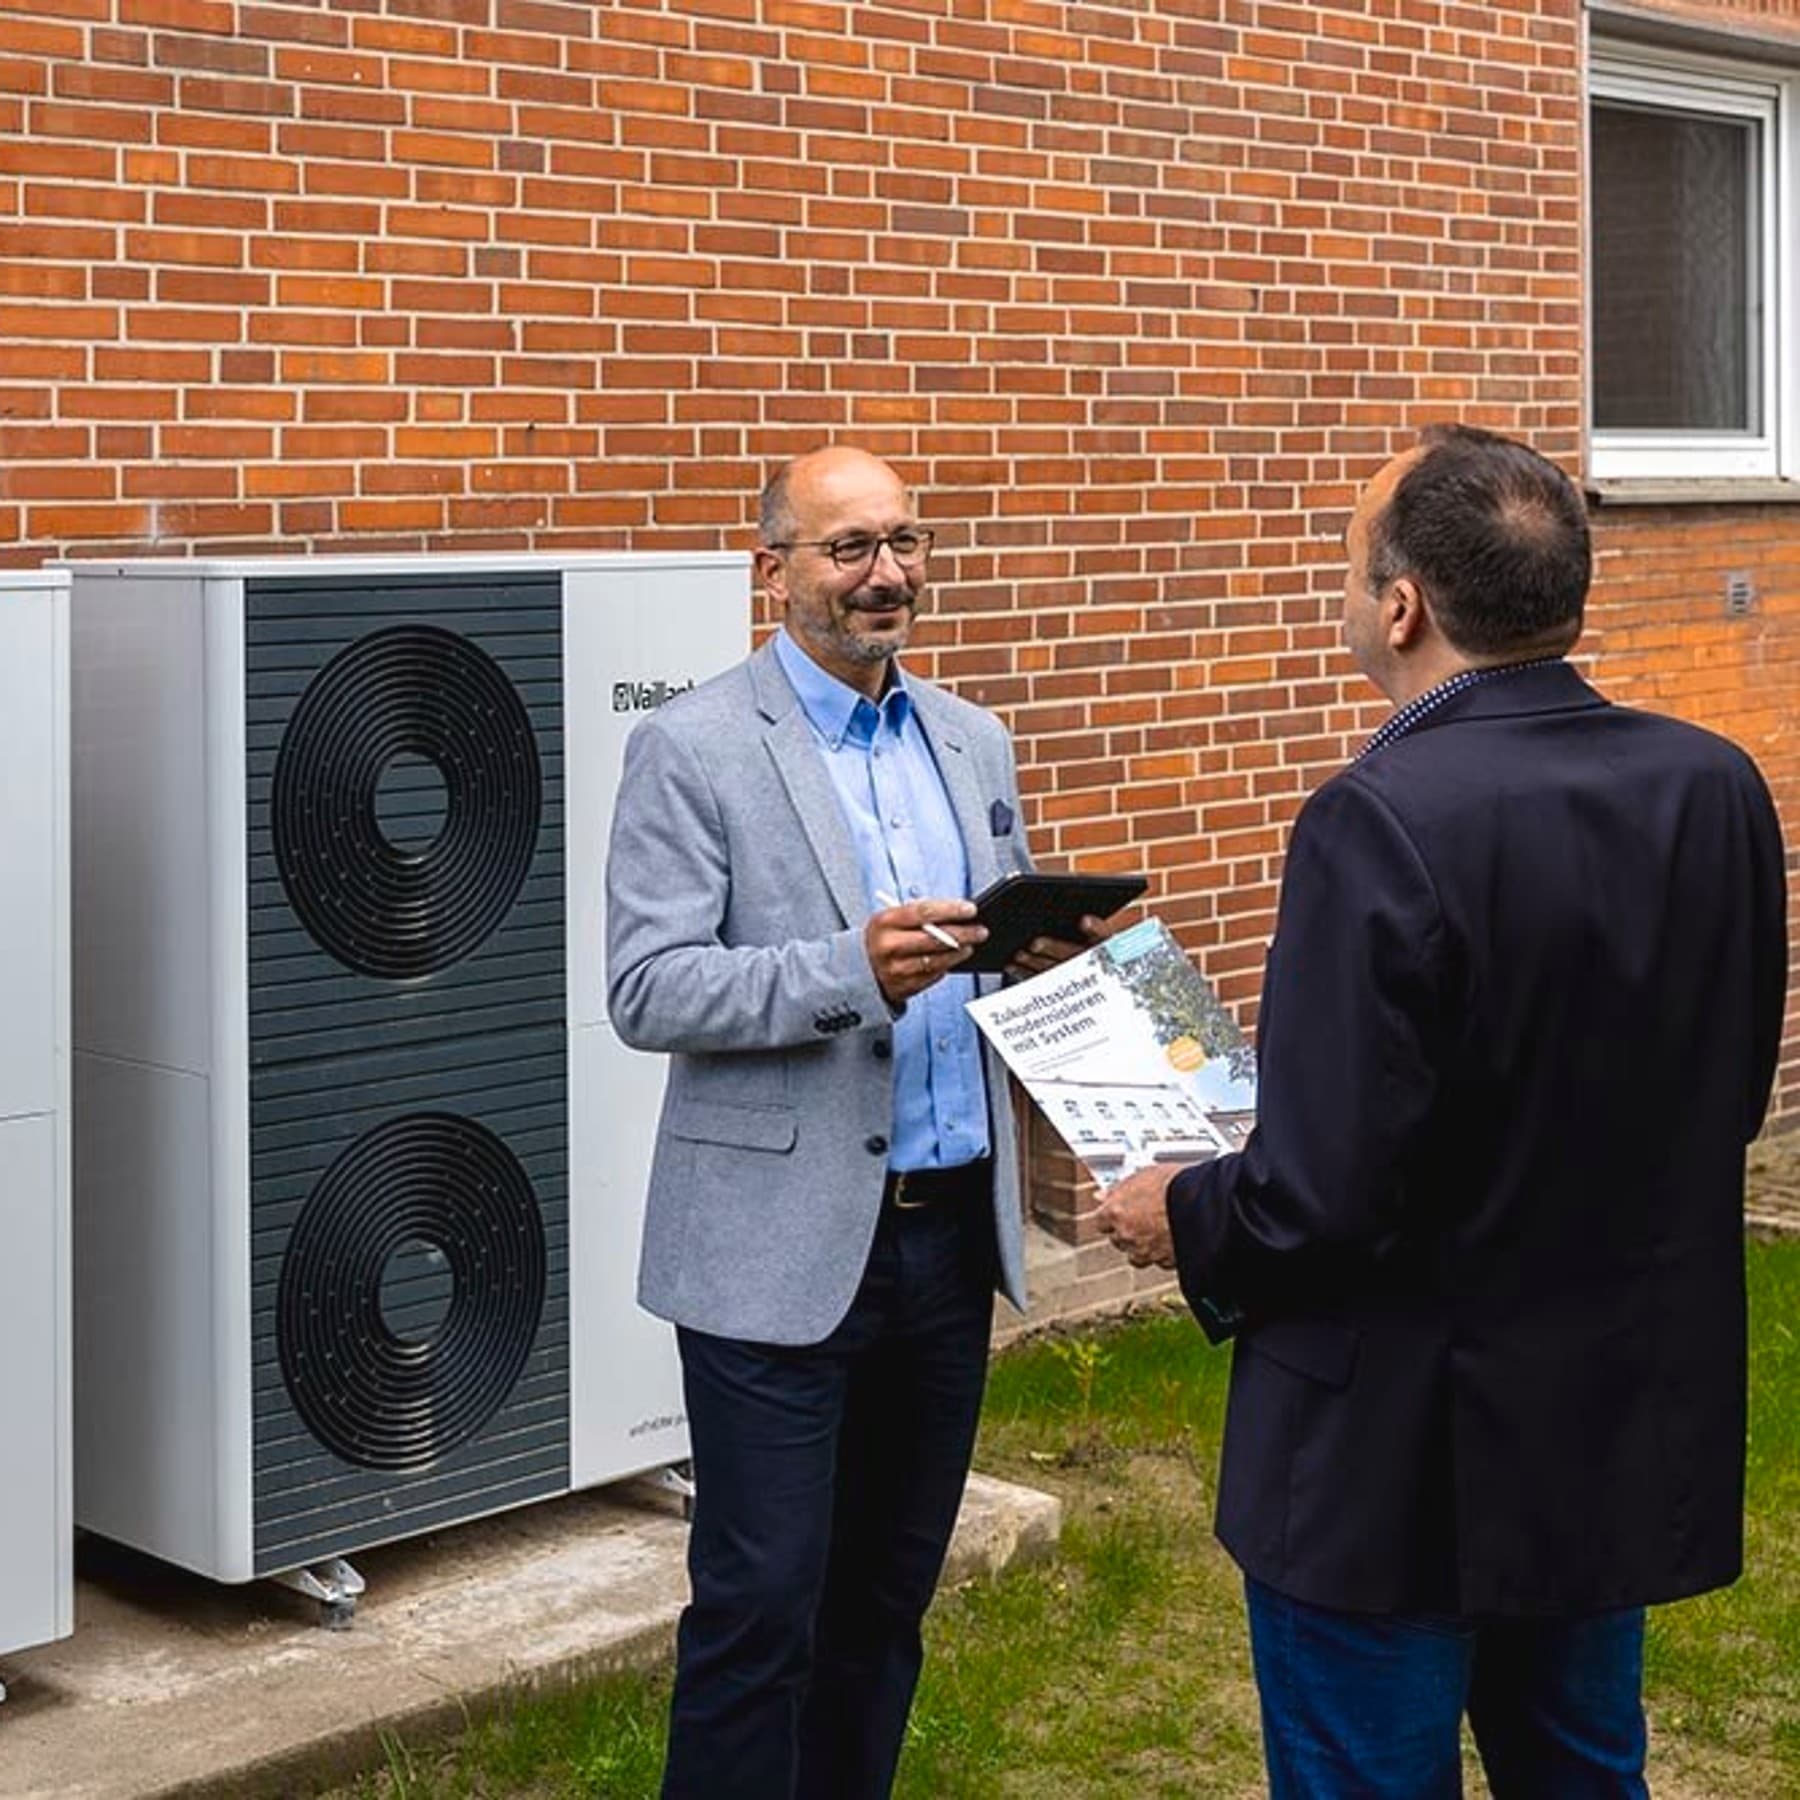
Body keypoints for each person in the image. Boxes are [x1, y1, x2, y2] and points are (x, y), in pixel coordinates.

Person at [1099, 425, 1788, 1799]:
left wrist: (1174, 1206)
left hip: (1399, 1470)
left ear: (1402, 606)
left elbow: (1320, 1198)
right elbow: (1722, 1093)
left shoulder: (1379, 815)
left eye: (1352, 572)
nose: (1343, 599)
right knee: (1588, 1773)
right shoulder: (1713, 786)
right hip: (1600, 1425)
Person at [606, 446, 1096, 1800]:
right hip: (777, 1250)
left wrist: (1050, 951)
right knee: (761, 1611)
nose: (888, 573)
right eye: (850, 548)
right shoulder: (691, 745)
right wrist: (844, 969)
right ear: (774, 571)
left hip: (945, 1244)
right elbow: (645, 988)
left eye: (904, 542)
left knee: (885, 1604)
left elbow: (981, 950)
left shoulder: (970, 738)